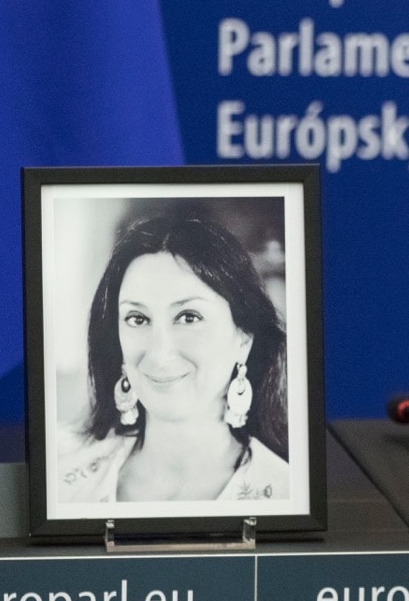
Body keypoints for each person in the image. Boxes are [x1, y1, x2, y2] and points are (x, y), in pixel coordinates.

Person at [57, 214, 291, 503]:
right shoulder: (64, 485)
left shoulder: (287, 494)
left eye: (189, 317)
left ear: (244, 338)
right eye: (137, 318)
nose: (159, 353)